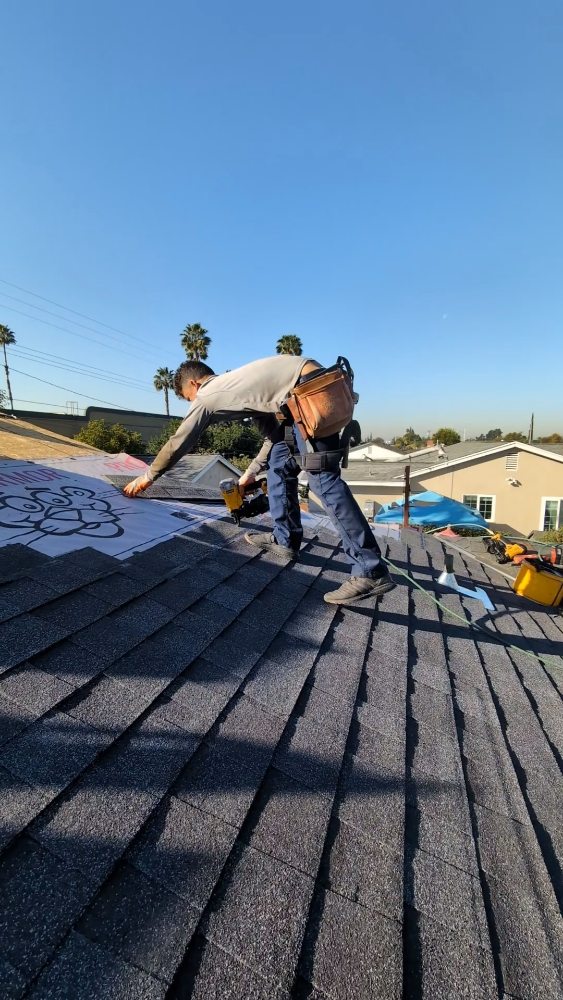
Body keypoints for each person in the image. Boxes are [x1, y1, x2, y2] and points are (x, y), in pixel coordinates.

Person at [123, 356, 395, 605]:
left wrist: (148, 477)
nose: (192, 404)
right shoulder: (243, 388)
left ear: (194, 383)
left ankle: (370, 570)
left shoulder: (208, 395)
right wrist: (249, 473)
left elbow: (179, 441)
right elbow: (275, 439)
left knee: (322, 480)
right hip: (315, 390)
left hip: (312, 393)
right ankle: (285, 539)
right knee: (280, 463)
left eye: (188, 397)